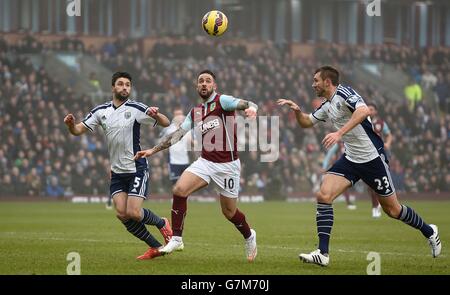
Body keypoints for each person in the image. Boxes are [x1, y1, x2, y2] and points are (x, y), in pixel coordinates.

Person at [277, 66, 441, 267]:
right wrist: (297, 111)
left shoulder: (345, 93)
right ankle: (323, 253)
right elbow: (307, 123)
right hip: (352, 159)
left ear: (327, 82)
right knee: (324, 195)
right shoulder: (326, 105)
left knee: (393, 210)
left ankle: (430, 231)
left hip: (373, 158)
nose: (313, 84)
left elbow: (363, 111)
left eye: (316, 80)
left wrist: (339, 133)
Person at [134, 70, 259, 262]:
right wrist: (153, 150)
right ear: (196, 86)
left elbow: (247, 104)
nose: (204, 84)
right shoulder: (195, 112)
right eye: (201, 81)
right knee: (179, 189)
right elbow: (177, 135)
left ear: (214, 86)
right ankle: (176, 238)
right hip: (206, 162)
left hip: (228, 166)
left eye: (208, 81)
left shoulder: (223, 101)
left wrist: (251, 109)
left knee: (229, 212)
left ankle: (250, 236)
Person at [63, 71, 173, 260]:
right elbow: (78, 130)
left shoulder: (136, 107)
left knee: (134, 212)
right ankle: (155, 247)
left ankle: (162, 223)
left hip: (137, 167)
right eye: (121, 84)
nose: (125, 87)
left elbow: (165, 122)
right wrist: (71, 125)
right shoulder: (101, 111)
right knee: (122, 214)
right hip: (117, 172)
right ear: (113, 87)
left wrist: (157, 114)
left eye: (128, 85)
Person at [367, 102, 393, 218]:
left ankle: (379, 205)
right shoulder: (362, 120)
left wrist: (387, 143)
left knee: (380, 182)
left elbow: (389, 134)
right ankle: (375, 205)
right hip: (366, 155)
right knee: (370, 184)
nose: (369, 111)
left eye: (371, 109)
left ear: (376, 111)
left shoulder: (381, 123)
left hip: (379, 155)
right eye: (368, 109)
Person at [160, 108, 192, 185]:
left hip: (185, 160)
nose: (179, 116)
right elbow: (162, 143)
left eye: (180, 114)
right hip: (173, 161)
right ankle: (175, 197)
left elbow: (191, 142)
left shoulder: (187, 128)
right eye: (177, 114)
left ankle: (185, 197)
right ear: (174, 116)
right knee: (175, 183)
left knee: (185, 184)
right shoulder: (168, 129)